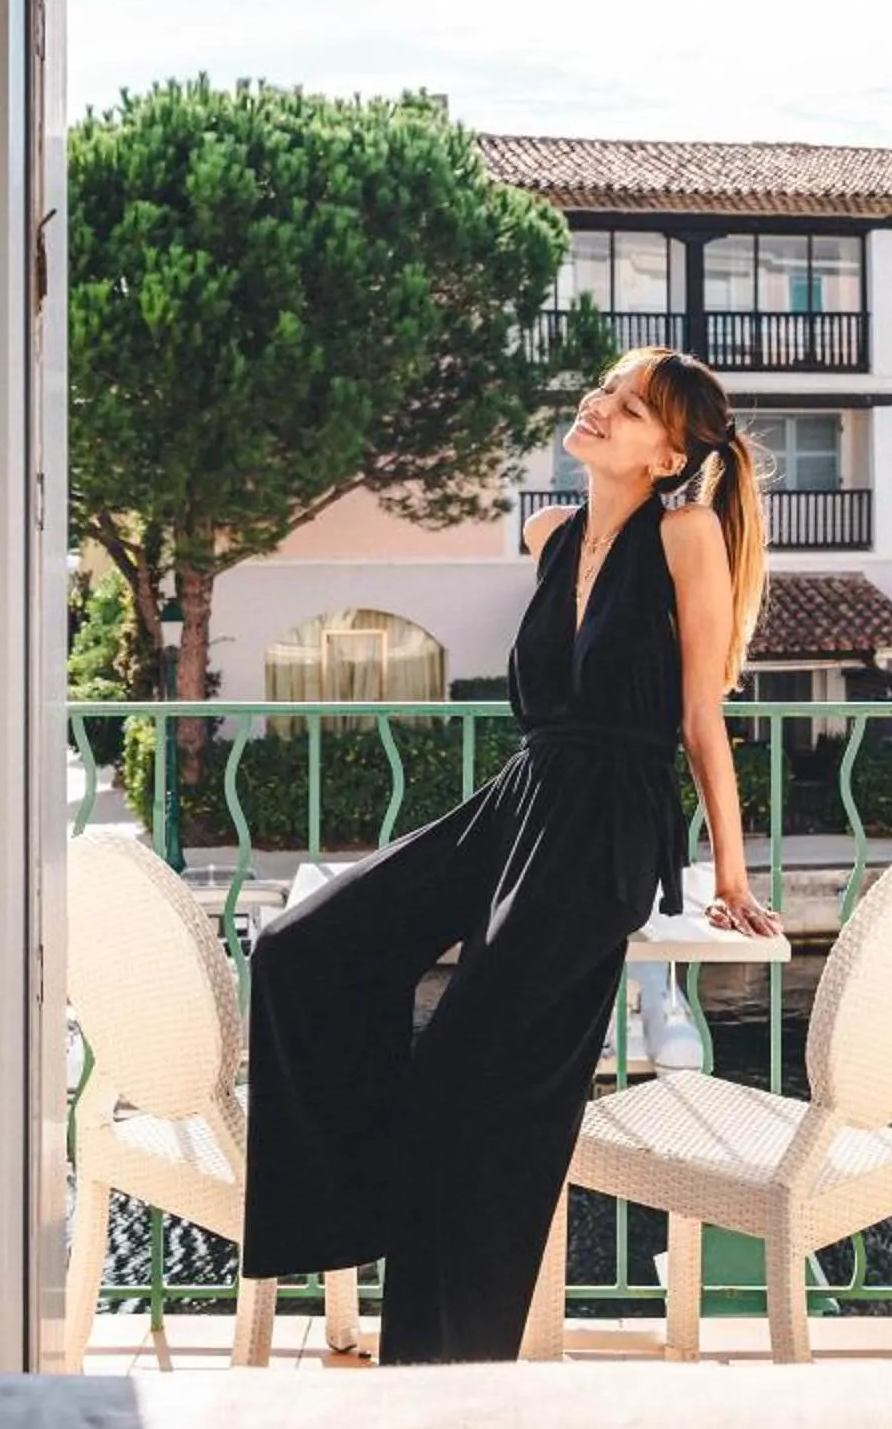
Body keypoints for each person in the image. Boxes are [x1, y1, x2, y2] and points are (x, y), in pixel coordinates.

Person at [241, 346, 783, 1364]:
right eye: (607, 389)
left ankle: (446, 1361)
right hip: (522, 796)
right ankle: (354, 1217)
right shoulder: (551, 534)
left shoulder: (687, 534)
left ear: (669, 455)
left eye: (629, 407)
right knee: (303, 949)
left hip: (607, 822)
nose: (601, 404)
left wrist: (732, 875)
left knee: (466, 1074)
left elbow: (703, 718)